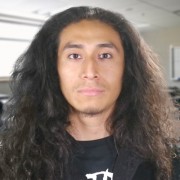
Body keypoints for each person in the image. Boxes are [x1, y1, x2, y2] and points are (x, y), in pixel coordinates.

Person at [0, 6, 177, 180]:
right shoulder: (12, 162)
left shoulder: (168, 163)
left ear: (128, 68)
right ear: (53, 69)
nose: (91, 72)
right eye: (75, 56)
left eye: (105, 55)